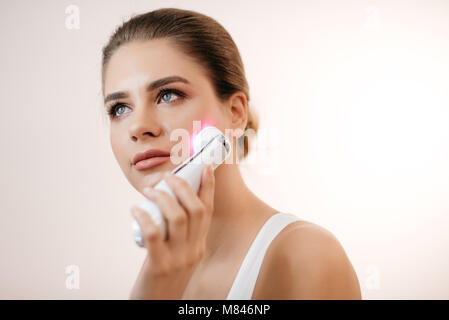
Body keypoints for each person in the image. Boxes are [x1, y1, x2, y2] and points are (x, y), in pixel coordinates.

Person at [101, 8, 361, 300]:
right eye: (119, 109)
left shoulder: (307, 256)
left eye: (168, 95)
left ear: (236, 113)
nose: (137, 127)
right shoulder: (160, 268)